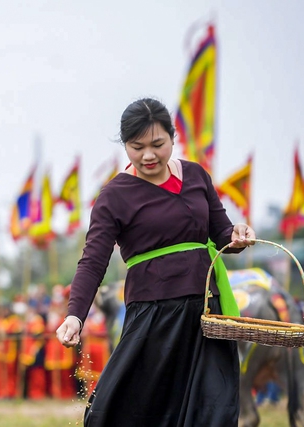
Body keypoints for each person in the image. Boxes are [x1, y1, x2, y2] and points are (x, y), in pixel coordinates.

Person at [56, 98, 256, 426]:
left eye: (158, 144)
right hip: (153, 316)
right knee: (133, 409)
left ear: (173, 139)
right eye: (137, 147)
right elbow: (93, 261)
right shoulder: (114, 196)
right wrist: (75, 316)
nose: (149, 155)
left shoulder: (196, 176)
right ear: (126, 147)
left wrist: (237, 234)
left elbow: (221, 233)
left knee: (213, 409)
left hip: (207, 312)